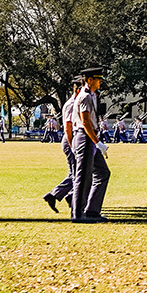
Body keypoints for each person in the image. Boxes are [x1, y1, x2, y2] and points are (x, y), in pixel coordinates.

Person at [70, 67, 110, 223]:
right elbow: (85, 121)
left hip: (89, 137)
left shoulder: (92, 95)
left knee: (102, 173)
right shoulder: (85, 96)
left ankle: (92, 210)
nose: (100, 82)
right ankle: (78, 215)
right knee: (83, 177)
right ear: (90, 80)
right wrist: (97, 142)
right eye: (98, 79)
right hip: (85, 137)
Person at [43, 78, 81, 213]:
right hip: (71, 140)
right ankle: (61, 195)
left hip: (74, 140)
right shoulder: (71, 104)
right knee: (77, 173)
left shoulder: (76, 103)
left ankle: (65, 196)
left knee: (75, 172)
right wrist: (73, 146)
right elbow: (68, 128)